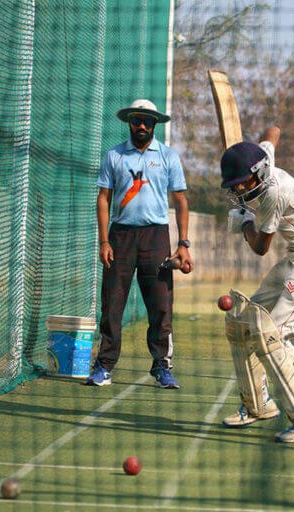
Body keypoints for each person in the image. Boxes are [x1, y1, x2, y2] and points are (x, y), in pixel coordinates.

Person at [219, 126, 294, 443]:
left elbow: (260, 246)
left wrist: (245, 222)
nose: (240, 190)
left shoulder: (273, 193)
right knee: (245, 319)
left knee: (273, 333)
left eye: (242, 184)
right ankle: (258, 406)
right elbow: (273, 133)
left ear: (259, 173)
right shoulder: (263, 160)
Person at [86, 99, 194, 389]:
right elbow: (103, 199)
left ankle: (162, 366)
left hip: (156, 237)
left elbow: (181, 201)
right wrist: (104, 240)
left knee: (161, 306)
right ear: (129, 123)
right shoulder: (114, 155)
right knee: (112, 304)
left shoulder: (168, 156)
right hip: (120, 237)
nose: (142, 125)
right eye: (137, 120)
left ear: (155, 123)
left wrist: (183, 244)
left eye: (148, 120)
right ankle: (104, 366)